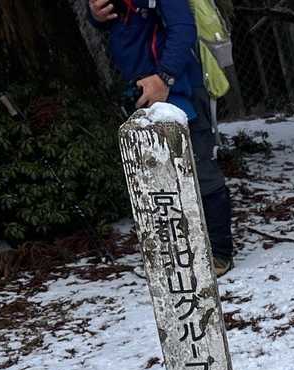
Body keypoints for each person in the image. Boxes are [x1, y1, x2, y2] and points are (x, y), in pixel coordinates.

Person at [88, 0, 235, 277]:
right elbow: (115, 19)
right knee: (158, 175)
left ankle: (219, 253)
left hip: (179, 86)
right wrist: (96, 15)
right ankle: (175, 252)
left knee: (199, 169)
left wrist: (165, 77)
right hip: (143, 88)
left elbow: (183, 27)